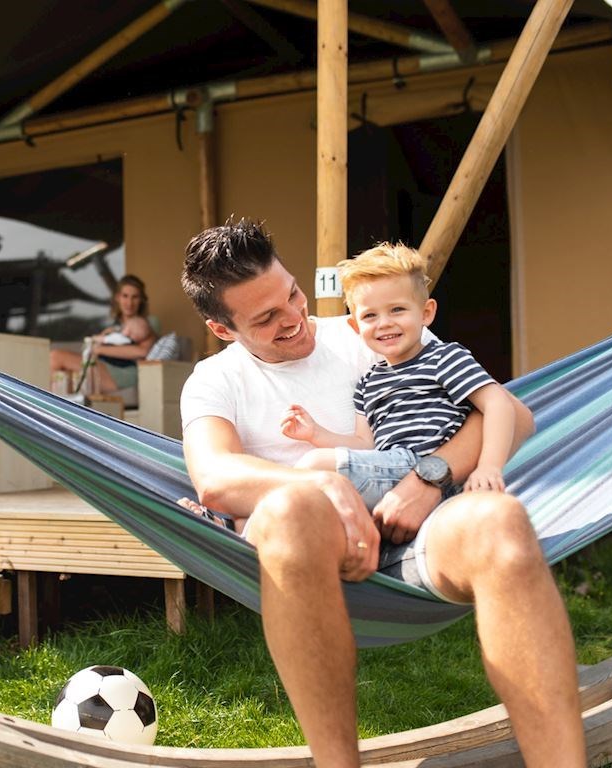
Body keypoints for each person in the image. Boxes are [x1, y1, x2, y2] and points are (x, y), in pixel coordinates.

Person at [179, 218, 584, 767]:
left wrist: (429, 477)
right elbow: (216, 478)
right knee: (293, 508)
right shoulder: (214, 380)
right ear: (223, 329)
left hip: (421, 531)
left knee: (499, 519)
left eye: (293, 294)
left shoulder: (372, 327)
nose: (295, 318)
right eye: (267, 318)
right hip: (309, 555)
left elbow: (508, 414)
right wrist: (325, 484)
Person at [281, 243, 515, 511]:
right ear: (356, 327)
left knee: (313, 467)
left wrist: (489, 466)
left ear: (426, 313)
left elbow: (499, 404)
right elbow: (364, 444)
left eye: (397, 310)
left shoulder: (445, 358)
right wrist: (317, 433)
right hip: (388, 471)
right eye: (370, 315)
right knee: (312, 485)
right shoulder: (368, 382)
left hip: (431, 468)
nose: (384, 323)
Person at [49, 274, 156, 395]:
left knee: (56, 357)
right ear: (117, 298)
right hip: (104, 366)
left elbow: (142, 352)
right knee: (65, 373)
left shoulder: (146, 324)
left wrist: (100, 349)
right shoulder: (113, 327)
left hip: (122, 373)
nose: (129, 302)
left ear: (141, 300)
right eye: (125, 296)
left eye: (135, 297)